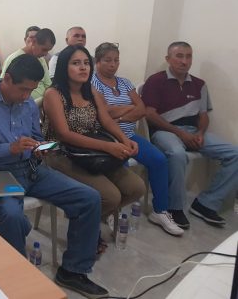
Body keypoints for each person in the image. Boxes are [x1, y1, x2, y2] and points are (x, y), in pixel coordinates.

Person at [0, 54, 108, 298]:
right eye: (22, 89)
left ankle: (73, 271)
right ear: (7, 78)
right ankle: (17, 278)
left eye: (31, 90)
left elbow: (35, 136)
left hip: (31, 169)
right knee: (12, 215)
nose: (26, 96)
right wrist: (9, 148)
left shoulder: (28, 104)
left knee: (89, 198)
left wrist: (40, 147)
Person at [43, 45, 145, 229]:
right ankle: (83, 227)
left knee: (137, 188)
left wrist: (125, 139)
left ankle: (89, 218)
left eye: (86, 63)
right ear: (64, 66)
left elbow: (106, 120)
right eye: (76, 63)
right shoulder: (53, 94)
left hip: (92, 152)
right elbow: (64, 134)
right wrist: (108, 147)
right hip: (60, 152)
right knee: (111, 196)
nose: (83, 68)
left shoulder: (90, 91)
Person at [142, 41, 238, 228]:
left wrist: (200, 133)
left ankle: (206, 203)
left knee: (235, 153)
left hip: (193, 131)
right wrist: (180, 133)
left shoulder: (199, 84)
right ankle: (174, 207)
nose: (184, 61)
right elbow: (150, 114)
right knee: (177, 153)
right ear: (168, 58)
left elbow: (203, 116)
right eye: (179, 56)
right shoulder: (156, 81)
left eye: (188, 56)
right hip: (164, 131)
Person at [91, 42, 183, 236]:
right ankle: (112, 211)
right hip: (108, 137)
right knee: (121, 169)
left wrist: (119, 116)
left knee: (159, 160)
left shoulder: (125, 82)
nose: (113, 64)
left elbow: (141, 109)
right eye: (108, 60)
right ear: (97, 61)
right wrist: (127, 109)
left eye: (116, 60)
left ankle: (160, 211)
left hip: (130, 135)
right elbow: (104, 113)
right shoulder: (92, 83)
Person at [1, 28, 55, 101]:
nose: (45, 54)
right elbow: (4, 84)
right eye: (44, 49)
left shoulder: (41, 59)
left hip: (41, 102)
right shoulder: (15, 59)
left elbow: (48, 84)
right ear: (34, 42)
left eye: (48, 51)